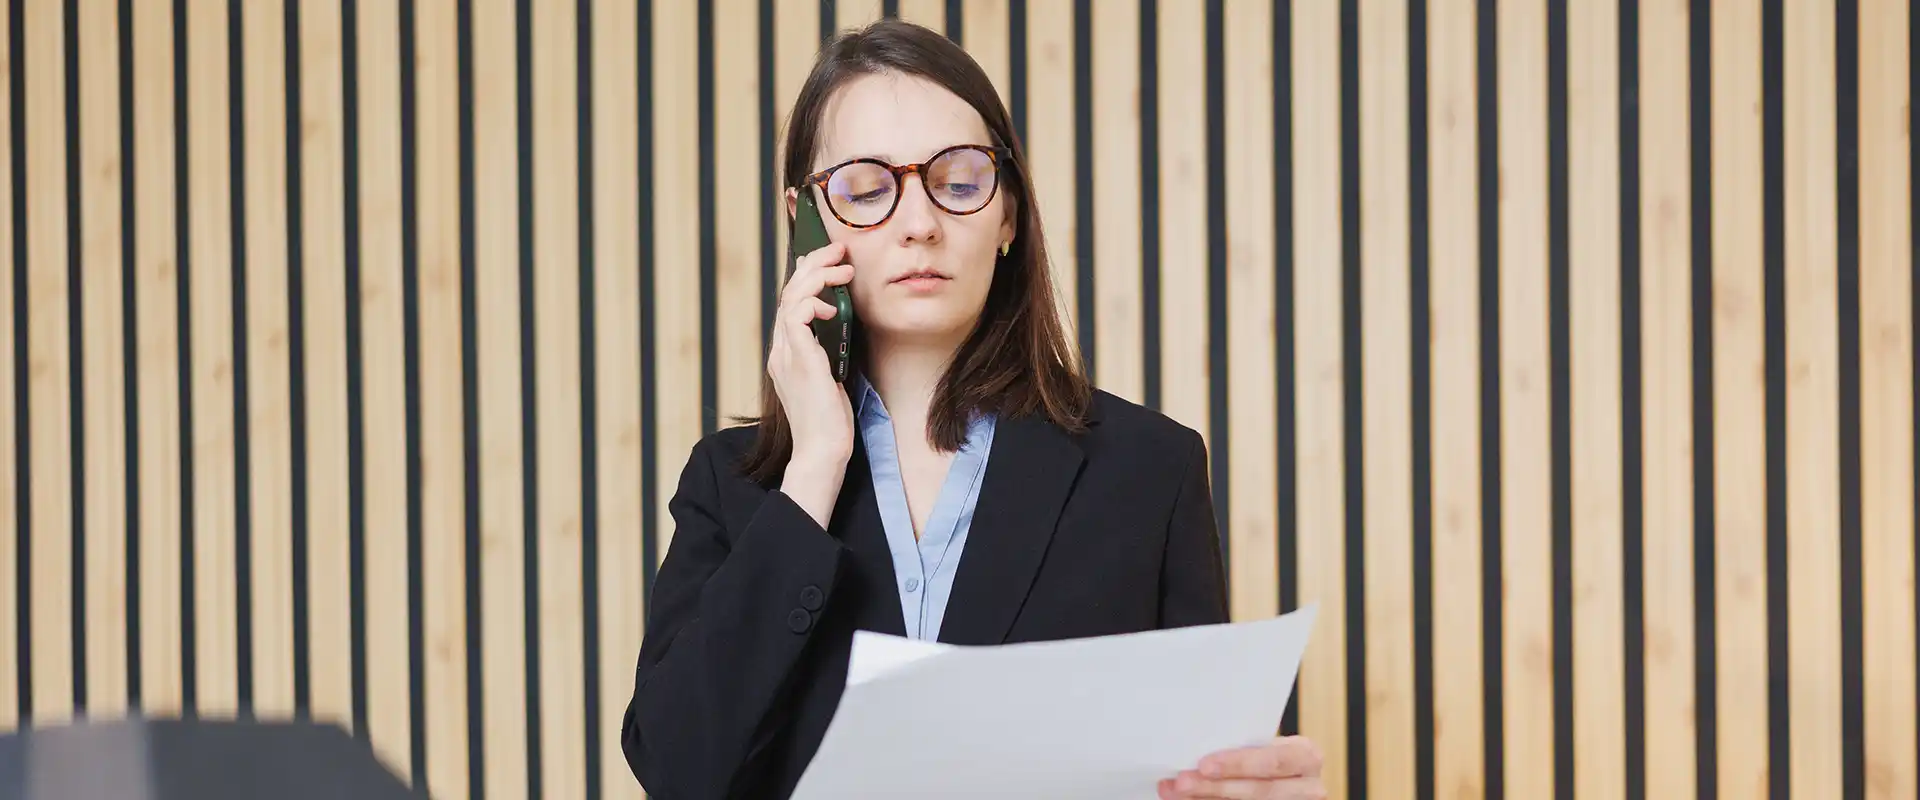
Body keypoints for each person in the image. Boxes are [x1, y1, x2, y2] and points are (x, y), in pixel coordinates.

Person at [619, 18, 1326, 800]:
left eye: (958, 182)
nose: (920, 223)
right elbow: (679, 771)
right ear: (805, 222)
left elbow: (1202, 760)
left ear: (1009, 218)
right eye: (866, 187)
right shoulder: (733, 486)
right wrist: (813, 469)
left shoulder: (1149, 470)